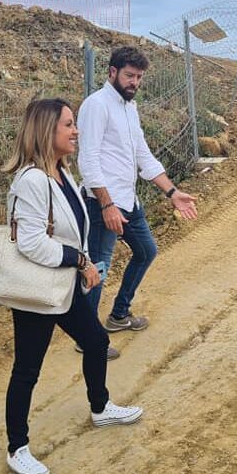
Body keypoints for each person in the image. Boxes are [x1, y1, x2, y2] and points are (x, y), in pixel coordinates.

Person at [0, 98, 143, 474]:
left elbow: (69, 229)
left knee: (96, 342)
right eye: (68, 124)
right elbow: (29, 243)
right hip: (38, 289)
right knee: (27, 370)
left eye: (74, 123)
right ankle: (18, 448)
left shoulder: (62, 174)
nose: (75, 130)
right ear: (47, 131)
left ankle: (100, 407)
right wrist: (79, 261)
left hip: (62, 286)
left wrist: (80, 263)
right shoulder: (31, 180)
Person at [77, 46, 198, 344]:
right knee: (98, 268)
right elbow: (88, 160)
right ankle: (87, 338)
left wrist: (171, 192)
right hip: (102, 204)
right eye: (129, 75)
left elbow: (143, 155)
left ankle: (119, 315)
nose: (135, 82)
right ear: (112, 72)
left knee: (146, 251)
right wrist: (106, 205)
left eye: (139, 77)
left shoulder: (129, 108)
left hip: (128, 201)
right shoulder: (97, 105)